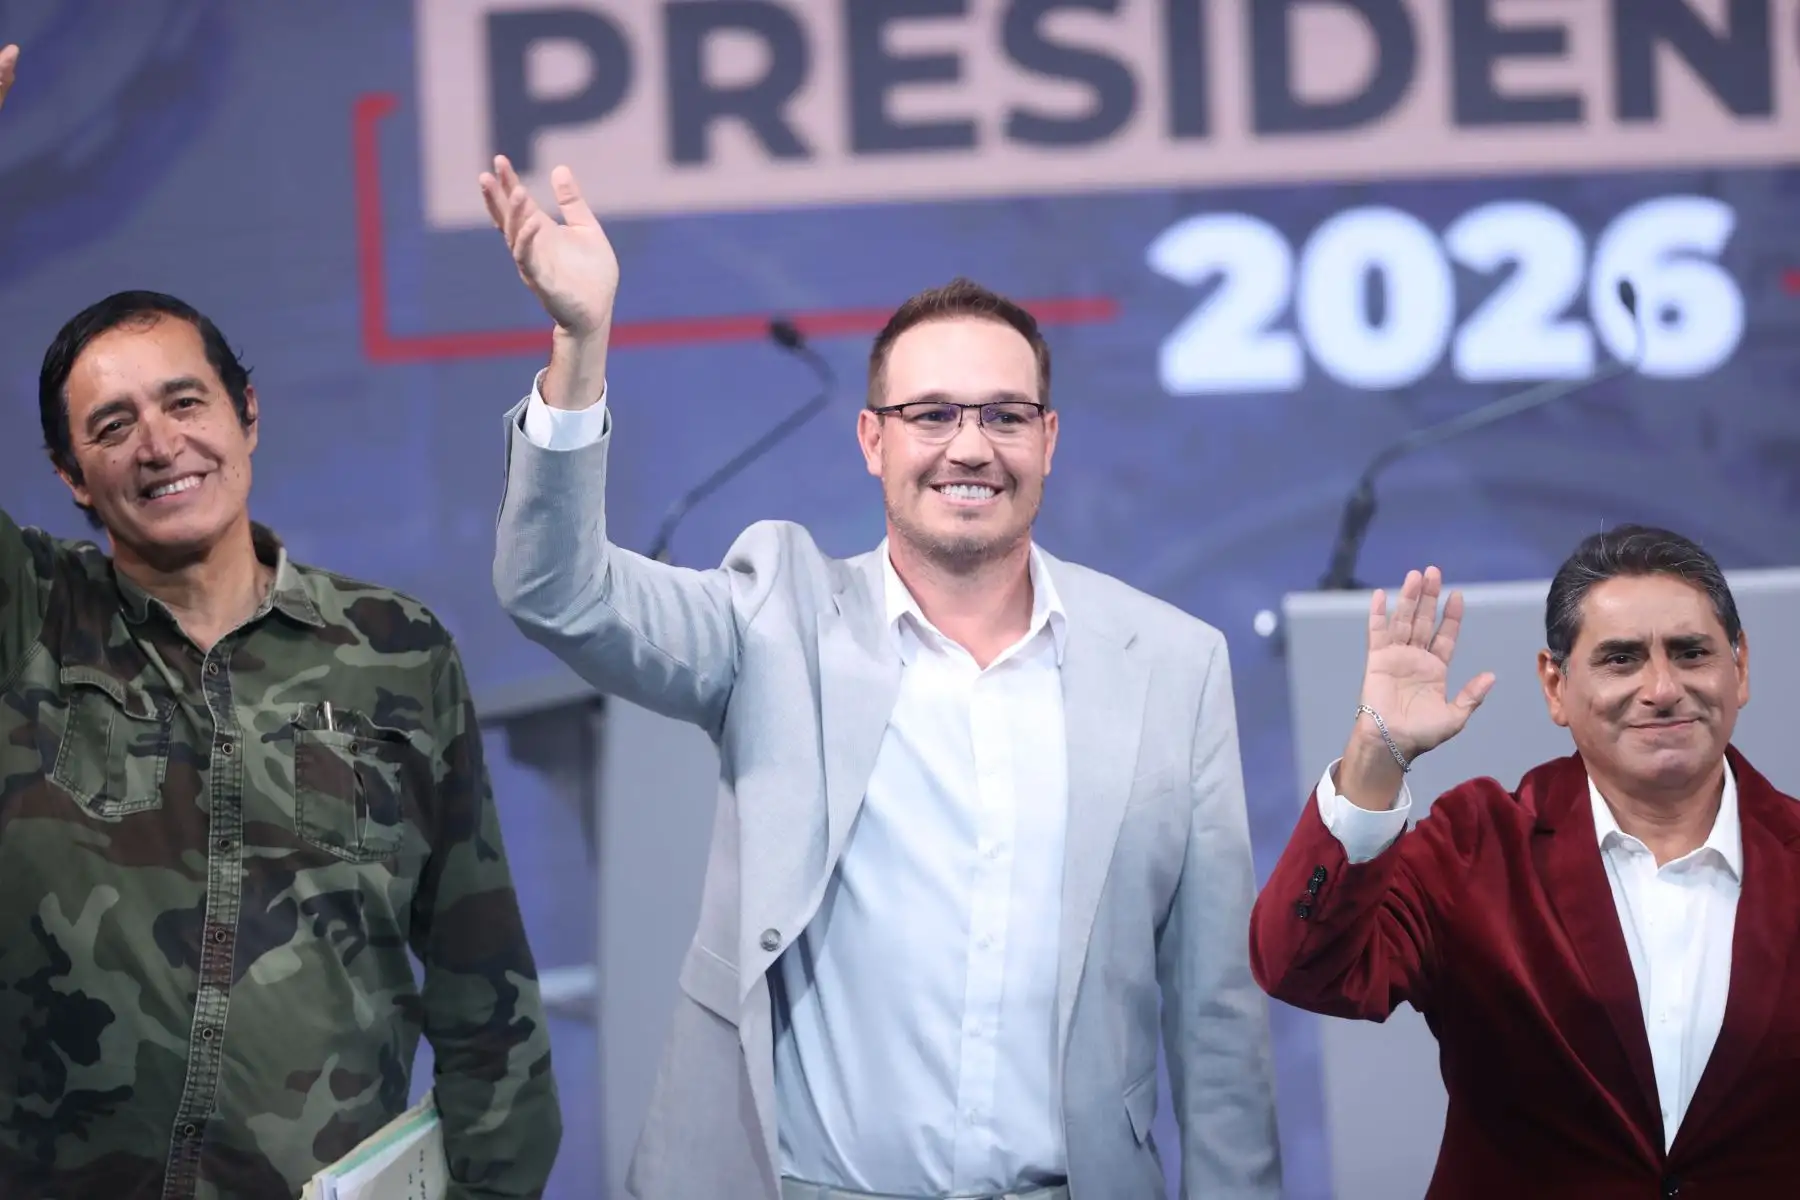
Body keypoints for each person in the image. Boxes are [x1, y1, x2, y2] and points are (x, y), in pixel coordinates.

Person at [480, 155, 1282, 1200]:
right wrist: (581, 348)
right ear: (872, 440)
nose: (969, 446)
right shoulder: (776, 616)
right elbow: (557, 592)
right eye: (932, 414)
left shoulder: (1172, 663)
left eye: (1003, 415)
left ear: (1049, 440)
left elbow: (1216, 1011)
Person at [0, 60, 560, 1189]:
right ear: (69, 476)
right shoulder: (29, 619)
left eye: (185, 401)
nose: (159, 445)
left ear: (247, 415)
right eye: (113, 427)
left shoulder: (396, 650)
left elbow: (479, 981)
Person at [1251, 526, 1800, 1198]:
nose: (1662, 687)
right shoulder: (1476, 848)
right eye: (1622, 660)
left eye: (1690, 653)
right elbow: (1301, 967)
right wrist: (1376, 751)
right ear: (1555, 685)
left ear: (1738, 669)